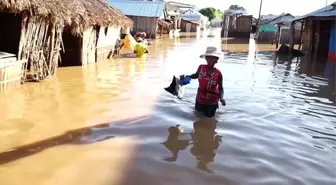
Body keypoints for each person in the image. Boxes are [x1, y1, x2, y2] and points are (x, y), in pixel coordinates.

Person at [185, 46, 226, 117]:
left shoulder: (218, 74)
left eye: (213, 58)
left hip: (212, 102)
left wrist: (221, 98)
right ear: (206, 58)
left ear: (217, 60)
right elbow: (196, 75)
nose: (211, 60)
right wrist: (188, 76)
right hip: (200, 99)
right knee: (198, 118)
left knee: (209, 120)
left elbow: (220, 88)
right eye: (209, 57)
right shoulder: (201, 68)